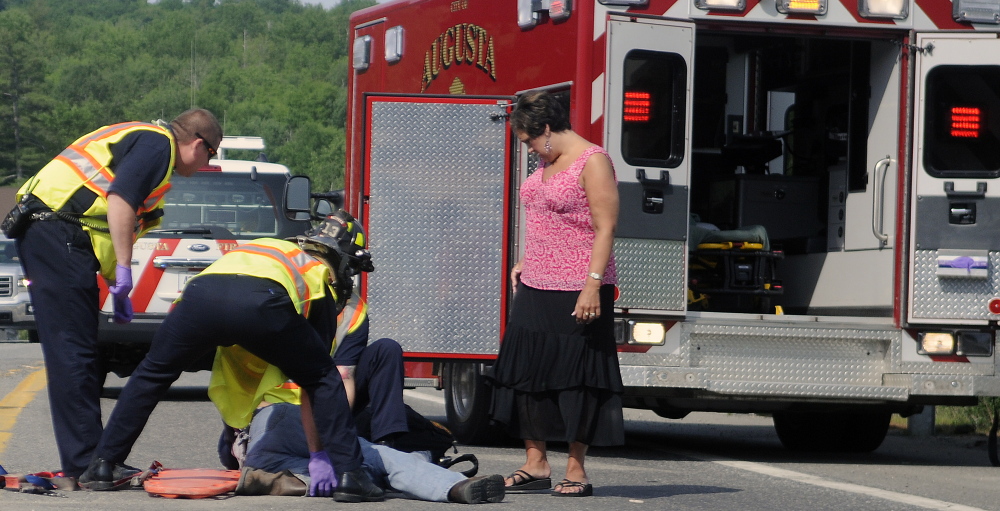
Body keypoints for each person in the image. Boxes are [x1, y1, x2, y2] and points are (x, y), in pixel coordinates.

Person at [77, 211, 385, 503]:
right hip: (261, 301)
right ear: (343, 263)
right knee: (322, 378)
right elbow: (316, 383)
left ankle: (104, 464)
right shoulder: (319, 275)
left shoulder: (272, 247)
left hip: (199, 295)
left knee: (151, 376)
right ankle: (351, 474)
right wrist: (319, 456)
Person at [10, 109, 222, 481]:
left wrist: (114, 278)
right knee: (73, 352)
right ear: (198, 144)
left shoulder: (150, 148)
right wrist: (124, 271)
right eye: (212, 154)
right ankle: (89, 463)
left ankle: (89, 460)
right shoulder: (159, 144)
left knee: (79, 351)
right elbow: (120, 200)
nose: (208, 163)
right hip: (57, 234)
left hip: (56, 236)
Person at [486, 91, 624, 497]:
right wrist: (527, 259)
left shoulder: (593, 161)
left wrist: (592, 285)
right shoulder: (547, 162)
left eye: (530, 140)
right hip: (537, 283)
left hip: (579, 286)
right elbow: (545, 218)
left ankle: (576, 469)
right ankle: (536, 463)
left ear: (547, 130)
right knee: (527, 371)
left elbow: (605, 227)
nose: (528, 148)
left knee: (576, 378)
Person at [210, 294, 409, 451]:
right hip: (273, 412)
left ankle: (386, 443)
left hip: (324, 404)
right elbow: (235, 387)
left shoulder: (350, 310)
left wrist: (332, 431)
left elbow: (344, 375)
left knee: (386, 350)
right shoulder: (268, 308)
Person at [226, 401, 505, 504]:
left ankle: (264, 479)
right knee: (377, 458)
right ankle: (452, 486)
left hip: (260, 454)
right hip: (288, 414)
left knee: (361, 475)